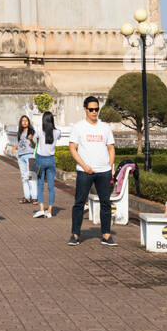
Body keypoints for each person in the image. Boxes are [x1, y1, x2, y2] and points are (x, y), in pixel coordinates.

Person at [68, 95, 116, 246]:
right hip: (85, 171)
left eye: (96, 109)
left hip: (104, 171)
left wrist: (110, 167)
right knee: (79, 203)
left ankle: (106, 235)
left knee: (106, 203)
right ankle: (75, 234)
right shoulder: (78, 127)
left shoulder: (105, 127)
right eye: (91, 109)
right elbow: (72, 148)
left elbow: (111, 148)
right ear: (85, 110)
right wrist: (83, 165)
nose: (94, 112)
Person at [33, 110, 63, 218]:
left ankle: (41, 209)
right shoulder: (57, 132)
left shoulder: (39, 130)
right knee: (51, 186)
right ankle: (49, 211)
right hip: (51, 160)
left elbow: (34, 139)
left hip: (40, 159)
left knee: (39, 185)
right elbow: (58, 136)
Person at [15, 114, 37, 205]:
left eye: (26, 120)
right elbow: (20, 144)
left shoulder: (32, 132)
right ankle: (27, 197)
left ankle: (35, 198)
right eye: (23, 121)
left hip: (30, 156)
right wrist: (15, 148)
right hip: (21, 157)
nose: (24, 122)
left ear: (29, 122)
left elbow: (35, 145)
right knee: (24, 178)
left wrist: (31, 140)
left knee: (32, 177)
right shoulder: (19, 133)